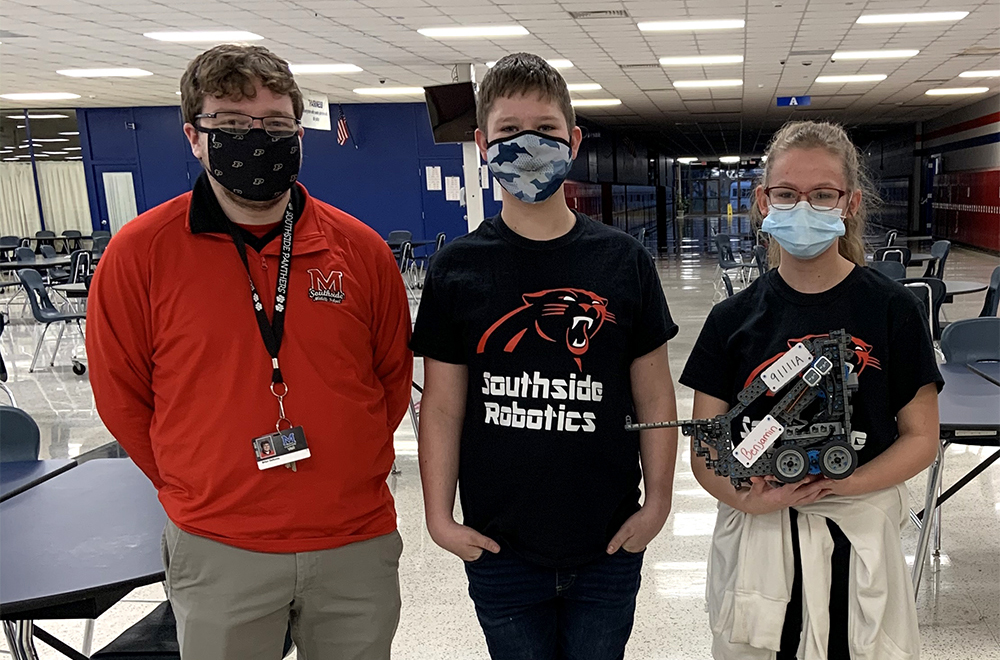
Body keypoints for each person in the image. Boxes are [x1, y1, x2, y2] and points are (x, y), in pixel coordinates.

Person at [86, 44, 412, 660]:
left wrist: (346, 458)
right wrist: (199, 483)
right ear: (193, 135)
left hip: (353, 539)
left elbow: (392, 381)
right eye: (232, 126)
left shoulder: (360, 251)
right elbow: (120, 396)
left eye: (276, 126)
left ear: (298, 133)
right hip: (219, 543)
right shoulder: (140, 254)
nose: (256, 140)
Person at [410, 53, 679, 660]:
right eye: (509, 132)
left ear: (574, 141)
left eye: (546, 131)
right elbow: (445, 406)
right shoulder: (458, 267)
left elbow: (655, 395)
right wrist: (439, 519)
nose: (528, 145)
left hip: (609, 539)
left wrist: (658, 501)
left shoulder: (623, 260)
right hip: (501, 546)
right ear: (482, 143)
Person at [680, 120, 942, 659]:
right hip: (761, 533)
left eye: (822, 194)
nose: (804, 207)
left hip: (859, 532)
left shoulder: (894, 310)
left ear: (848, 202)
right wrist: (750, 500)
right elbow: (706, 450)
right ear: (763, 201)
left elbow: (922, 438)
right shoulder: (731, 320)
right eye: (787, 194)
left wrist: (842, 485)